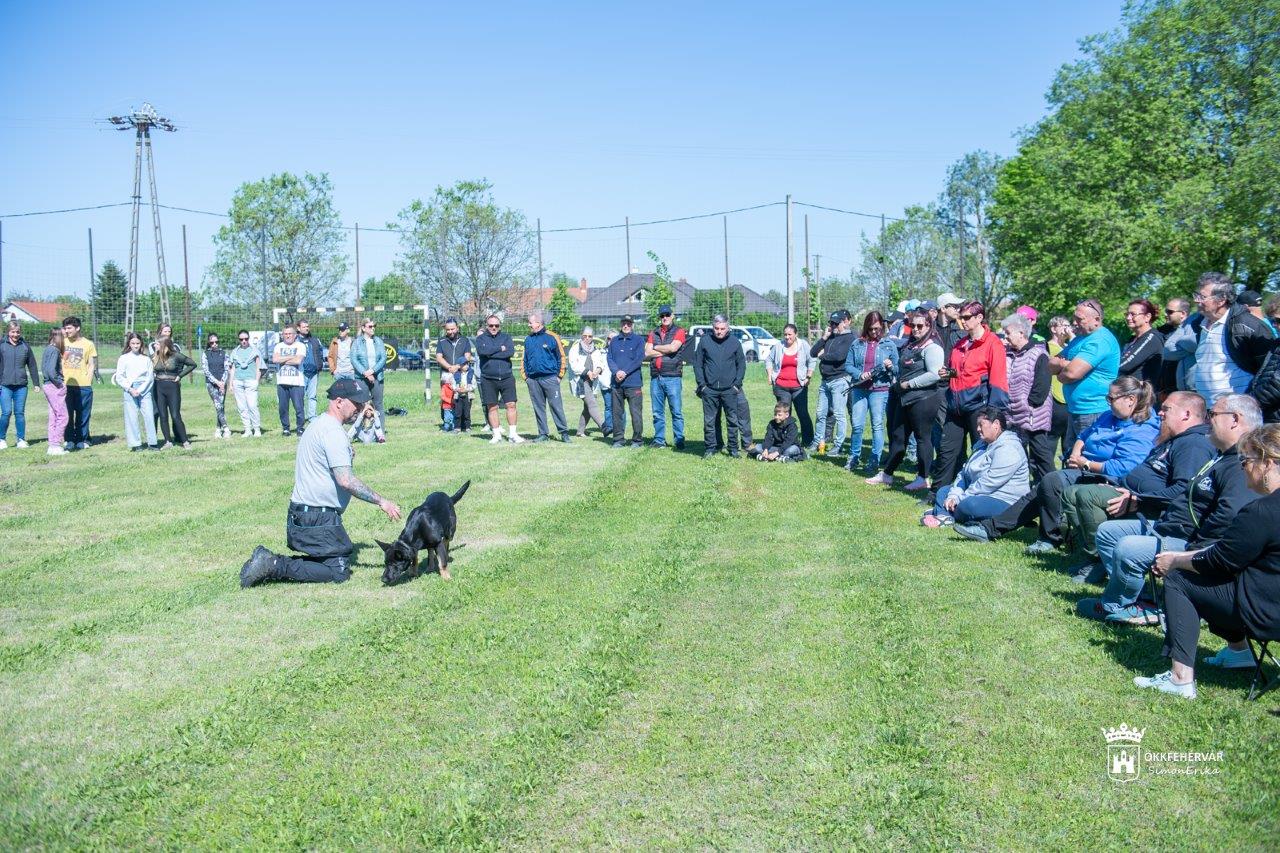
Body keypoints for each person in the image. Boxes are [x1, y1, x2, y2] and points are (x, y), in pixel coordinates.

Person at [1079, 393, 1261, 626]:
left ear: (1234, 419)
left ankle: (1117, 606)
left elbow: (1228, 515)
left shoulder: (1239, 464)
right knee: (1108, 533)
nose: (1208, 420)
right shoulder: (1221, 456)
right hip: (1171, 525)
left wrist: (1192, 551)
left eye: (1213, 414)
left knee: (1128, 547)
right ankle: (1142, 598)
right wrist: (1141, 501)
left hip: (1193, 541)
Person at [1135, 423, 1280, 700]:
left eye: (1246, 460)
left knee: (1180, 578)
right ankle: (1239, 653)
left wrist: (1176, 560)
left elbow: (1219, 560)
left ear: (1269, 463)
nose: (1242, 467)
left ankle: (1180, 679)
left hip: (1268, 612)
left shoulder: (1262, 511)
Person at [239, 378, 402, 588]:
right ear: (339, 401)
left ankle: (271, 561)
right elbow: (346, 481)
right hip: (316, 518)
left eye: (363, 404)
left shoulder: (319, 423)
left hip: (304, 515)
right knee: (338, 571)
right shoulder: (332, 432)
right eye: (357, 403)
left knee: (338, 555)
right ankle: (273, 564)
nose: (361, 409)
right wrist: (382, 501)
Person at [1060, 391, 1214, 583]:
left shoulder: (1193, 445)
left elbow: (1182, 491)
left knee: (1088, 495)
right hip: (1130, 493)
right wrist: (1114, 483)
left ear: (1186, 414)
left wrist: (1138, 498)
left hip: (1150, 507)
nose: (1159, 413)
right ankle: (1092, 555)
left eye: (1166, 409)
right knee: (1070, 493)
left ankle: (1100, 561)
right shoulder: (1173, 439)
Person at [1012, 376, 1160, 554]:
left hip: (1109, 478)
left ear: (1130, 400)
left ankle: (1055, 539)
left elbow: (1123, 467)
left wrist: (1087, 464)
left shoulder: (1142, 428)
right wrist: (1075, 454)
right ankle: (998, 526)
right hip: (1084, 467)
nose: (1108, 402)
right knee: (1047, 485)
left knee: (1051, 482)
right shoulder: (1109, 416)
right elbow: (1083, 436)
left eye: (1111, 399)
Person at [930, 301, 1009, 490]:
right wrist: (949, 372)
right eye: (960, 318)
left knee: (980, 453)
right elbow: (963, 372)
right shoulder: (960, 344)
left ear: (979, 318)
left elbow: (998, 379)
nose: (962, 322)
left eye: (966, 318)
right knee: (947, 451)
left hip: (978, 408)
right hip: (955, 405)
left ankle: (979, 492)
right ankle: (937, 493)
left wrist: (992, 414)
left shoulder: (993, 344)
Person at [869, 310, 944, 490]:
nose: (916, 329)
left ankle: (923, 478)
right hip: (905, 399)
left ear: (928, 326)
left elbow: (934, 375)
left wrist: (909, 384)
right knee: (897, 437)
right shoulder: (911, 346)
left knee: (922, 439)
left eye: (920, 326)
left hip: (924, 399)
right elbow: (904, 369)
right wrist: (893, 368)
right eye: (913, 326)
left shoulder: (933, 348)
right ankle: (887, 474)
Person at [924, 407, 1029, 533]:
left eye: (981, 425)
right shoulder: (981, 445)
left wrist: (960, 498)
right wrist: (954, 495)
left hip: (1005, 500)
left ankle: (943, 511)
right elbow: (963, 474)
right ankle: (945, 515)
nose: (978, 429)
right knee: (944, 491)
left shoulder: (1009, 447)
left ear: (996, 424)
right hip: (978, 494)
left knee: (968, 505)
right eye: (977, 425)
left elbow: (990, 482)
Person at [1050, 298, 1120, 457]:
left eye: (1079, 319)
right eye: (1074, 317)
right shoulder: (1080, 339)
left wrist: (1063, 367)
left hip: (1094, 412)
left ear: (1096, 320)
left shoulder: (1100, 340)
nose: (1073, 323)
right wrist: (1066, 365)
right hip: (1076, 409)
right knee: (1070, 456)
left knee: (1086, 458)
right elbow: (1050, 364)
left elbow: (1071, 373)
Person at [1192, 271, 1274, 407]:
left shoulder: (1248, 326)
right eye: (1196, 295)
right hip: (1207, 408)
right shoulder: (1198, 323)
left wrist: (1254, 402)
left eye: (1202, 297)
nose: (1196, 300)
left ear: (1221, 300)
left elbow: (1268, 371)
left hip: (1236, 411)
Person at [999, 313, 1054, 484]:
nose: (1005, 337)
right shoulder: (1008, 355)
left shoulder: (1039, 354)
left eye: (1008, 333)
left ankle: (1051, 487)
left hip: (1033, 416)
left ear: (1021, 333)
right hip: (1012, 415)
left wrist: (1029, 405)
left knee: (1040, 455)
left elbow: (1041, 387)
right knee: (1015, 455)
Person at [843, 311, 899, 474]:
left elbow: (897, 369)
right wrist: (859, 374)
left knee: (877, 425)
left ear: (882, 327)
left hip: (880, 390)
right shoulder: (857, 344)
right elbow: (848, 365)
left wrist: (890, 366)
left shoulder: (889, 345)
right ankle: (854, 456)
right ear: (866, 328)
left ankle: (874, 459)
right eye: (871, 329)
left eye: (877, 329)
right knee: (858, 425)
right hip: (860, 389)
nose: (874, 332)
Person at [692, 315, 745, 459]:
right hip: (709, 389)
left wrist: (736, 385)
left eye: (722, 329)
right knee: (709, 421)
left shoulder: (735, 342)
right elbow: (698, 364)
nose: (719, 331)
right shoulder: (704, 341)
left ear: (727, 328)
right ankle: (710, 448)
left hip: (730, 389)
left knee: (732, 421)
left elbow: (741, 364)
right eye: (716, 328)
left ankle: (733, 449)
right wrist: (702, 385)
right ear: (712, 327)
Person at [808, 310, 855, 455]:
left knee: (839, 414)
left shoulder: (849, 338)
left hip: (840, 380)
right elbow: (813, 352)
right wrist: (824, 337)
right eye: (831, 323)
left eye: (836, 323)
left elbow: (839, 357)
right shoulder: (830, 337)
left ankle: (838, 445)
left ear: (844, 322)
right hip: (825, 381)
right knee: (820, 413)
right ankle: (817, 441)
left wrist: (823, 356)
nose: (833, 325)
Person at [522, 310, 571, 443]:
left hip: (550, 379)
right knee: (538, 407)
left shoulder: (552, 337)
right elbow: (524, 360)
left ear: (538, 323)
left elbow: (561, 357)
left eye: (530, 323)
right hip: (533, 380)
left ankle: (564, 433)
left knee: (556, 406)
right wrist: (526, 377)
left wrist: (559, 376)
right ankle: (543, 434)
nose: (529, 325)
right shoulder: (528, 339)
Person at [474, 314, 523, 444]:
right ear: (486, 326)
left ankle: (513, 434)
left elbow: (509, 352)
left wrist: (491, 353)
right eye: (491, 325)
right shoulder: (480, 339)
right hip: (488, 378)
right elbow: (482, 352)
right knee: (492, 407)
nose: (494, 327)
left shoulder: (506, 337)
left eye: (496, 325)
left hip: (507, 377)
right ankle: (496, 435)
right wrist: (499, 349)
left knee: (511, 405)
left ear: (500, 326)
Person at [764, 323, 815, 447]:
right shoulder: (778, 346)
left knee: (802, 413)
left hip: (799, 387)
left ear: (796, 334)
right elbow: (769, 360)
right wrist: (770, 374)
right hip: (781, 386)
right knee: (785, 415)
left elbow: (812, 359)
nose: (787, 337)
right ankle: (785, 441)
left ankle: (808, 441)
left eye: (790, 334)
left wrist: (808, 376)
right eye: (785, 334)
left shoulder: (803, 345)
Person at [645, 304, 688, 449]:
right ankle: (659, 440)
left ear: (672, 315)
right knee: (657, 412)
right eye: (662, 316)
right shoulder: (653, 333)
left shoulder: (679, 331)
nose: (665, 318)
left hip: (673, 377)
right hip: (656, 378)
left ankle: (679, 439)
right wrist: (665, 350)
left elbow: (673, 348)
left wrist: (655, 348)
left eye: (667, 315)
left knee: (676, 410)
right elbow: (647, 353)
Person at [112, 332, 158, 451]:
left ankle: (152, 442)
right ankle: (136, 444)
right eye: (133, 343)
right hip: (130, 389)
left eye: (138, 343)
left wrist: (140, 390)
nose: (135, 346)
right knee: (131, 417)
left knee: (148, 415)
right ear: (129, 344)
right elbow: (120, 376)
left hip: (144, 389)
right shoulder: (123, 358)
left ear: (141, 344)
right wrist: (130, 389)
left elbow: (149, 377)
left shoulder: (146, 359)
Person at [0, 320, 41, 450]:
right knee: (6, 412)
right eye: (13, 332)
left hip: (21, 386)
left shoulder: (25, 346)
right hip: (4, 386)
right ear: (8, 332)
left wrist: (36, 383)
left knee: (20, 413)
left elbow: (32, 365)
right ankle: (1, 439)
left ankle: (21, 440)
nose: (15, 334)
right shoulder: (1, 345)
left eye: (18, 332)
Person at [607, 314, 645, 448]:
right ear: (621, 324)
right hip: (617, 383)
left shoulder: (639, 340)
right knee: (617, 413)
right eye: (624, 323)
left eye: (629, 323)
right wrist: (616, 371)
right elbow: (609, 359)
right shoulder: (614, 341)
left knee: (636, 413)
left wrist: (625, 372)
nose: (626, 326)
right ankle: (618, 440)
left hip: (633, 383)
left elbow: (639, 359)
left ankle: (637, 440)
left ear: (632, 325)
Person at [152, 337, 196, 448]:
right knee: (163, 416)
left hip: (172, 387)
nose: (154, 346)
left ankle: (185, 441)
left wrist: (179, 376)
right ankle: (168, 441)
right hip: (158, 387)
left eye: (157, 344)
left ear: (164, 345)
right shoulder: (154, 357)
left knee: (175, 415)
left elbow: (192, 364)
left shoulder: (176, 355)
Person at [61, 316, 97, 450]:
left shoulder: (88, 344)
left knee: (83, 414)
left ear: (78, 328)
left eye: (69, 328)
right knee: (67, 414)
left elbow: (91, 364)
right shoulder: (62, 342)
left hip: (83, 386)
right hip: (66, 385)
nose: (67, 330)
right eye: (65, 328)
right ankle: (69, 440)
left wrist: (88, 380)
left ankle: (82, 439)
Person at [567, 327, 609, 436]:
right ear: (581, 336)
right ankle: (604, 427)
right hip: (581, 381)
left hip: (592, 382)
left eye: (589, 336)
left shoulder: (595, 349)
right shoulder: (575, 348)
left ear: (592, 337)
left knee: (587, 407)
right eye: (585, 336)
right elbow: (574, 366)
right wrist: (588, 372)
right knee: (592, 404)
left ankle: (580, 432)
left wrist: (598, 370)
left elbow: (600, 363)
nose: (587, 338)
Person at [435, 318, 474, 433]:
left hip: (461, 373)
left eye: (453, 329)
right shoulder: (441, 341)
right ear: (445, 330)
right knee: (447, 399)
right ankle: (448, 423)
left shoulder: (465, 340)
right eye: (448, 330)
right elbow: (439, 357)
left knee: (463, 399)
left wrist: (457, 367)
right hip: (446, 374)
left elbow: (467, 356)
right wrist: (449, 367)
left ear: (457, 328)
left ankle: (463, 424)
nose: (451, 331)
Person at [1118, 299, 1164, 385]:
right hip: (1125, 390)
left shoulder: (1151, 338)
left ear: (1147, 317)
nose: (1128, 318)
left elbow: (1124, 365)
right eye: (1127, 314)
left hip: (1141, 395)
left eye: (1133, 314)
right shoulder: (1132, 339)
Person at [1047, 315, 1074, 460]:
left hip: (1069, 399)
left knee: (1069, 442)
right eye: (1064, 325)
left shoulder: (1068, 347)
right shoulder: (1048, 347)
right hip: (1056, 398)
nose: (1067, 328)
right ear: (1053, 329)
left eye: (1068, 325)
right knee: (1051, 440)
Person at [350, 319, 387, 424]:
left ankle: (381, 433)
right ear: (363, 328)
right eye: (370, 326)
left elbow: (383, 358)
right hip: (361, 378)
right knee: (361, 404)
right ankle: (361, 432)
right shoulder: (357, 342)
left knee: (378, 404)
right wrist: (365, 373)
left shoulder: (379, 341)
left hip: (377, 377)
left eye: (374, 326)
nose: (373, 328)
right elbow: (353, 359)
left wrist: (372, 371)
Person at [273, 325, 307, 436]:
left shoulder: (300, 346)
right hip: (282, 382)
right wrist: (291, 357)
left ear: (295, 335)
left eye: (290, 334)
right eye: (285, 334)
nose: (288, 336)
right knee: (283, 407)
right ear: (283, 335)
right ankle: (286, 428)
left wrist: (283, 359)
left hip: (297, 382)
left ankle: (300, 427)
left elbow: (298, 361)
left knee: (299, 407)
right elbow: (275, 359)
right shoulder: (278, 346)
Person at [229, 330, 264, 436]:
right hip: (238, 381)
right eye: (241, 339)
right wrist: (230, 384)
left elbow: (259, 366)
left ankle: (256, 429)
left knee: (252, 406)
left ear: (249, 339)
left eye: (246, 339)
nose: (244, 341)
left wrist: (256, 381)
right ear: (239, 340)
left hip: (250, 381)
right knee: (242, 407)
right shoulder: (235, 352)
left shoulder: (254, 351)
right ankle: (247, 429)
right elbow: (233, 368)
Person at [41, 328, 68, 456]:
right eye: (63, 336)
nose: (65, 338)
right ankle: (56, 444)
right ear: (57, 337)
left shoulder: (47, 349)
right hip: (54, 386)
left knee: (53, 416)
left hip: (47, 385)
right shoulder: (55, 350)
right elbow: (51, 371)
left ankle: (52, 445)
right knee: (63, 416)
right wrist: (59, 383)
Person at [1156, 298, 1190, 396]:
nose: (1165, 314)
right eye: (1166, 311)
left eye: (1170, 312)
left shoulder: (1191, 332)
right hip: (1162, 388)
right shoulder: (1161, 332)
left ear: (1183, 313)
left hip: (1180, 389)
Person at [201, 333, 232, 439]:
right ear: (209, 343)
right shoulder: (205, 354)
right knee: (218, 405)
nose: (214, 344)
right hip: (211, 384)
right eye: (212, 342)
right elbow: (206, 371)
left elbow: (227, 368)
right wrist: (217, 382)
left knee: (221, 406)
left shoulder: (224, 353)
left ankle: (218, 429)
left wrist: (222, 383)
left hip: (223, 384)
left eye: (216, 342)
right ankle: (226, 428)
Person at [296, 319, 326, 424]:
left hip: (314, 372)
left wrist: (319, 365)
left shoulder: (314, 340)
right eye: (304, 327)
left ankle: (312, 417)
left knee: (312, 396)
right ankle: (301, 417)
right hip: (301, 372)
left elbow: (321, 352)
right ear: (298, 328)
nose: (306, 328)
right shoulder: (295, 341)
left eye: (307, 326)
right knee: (300, 396)